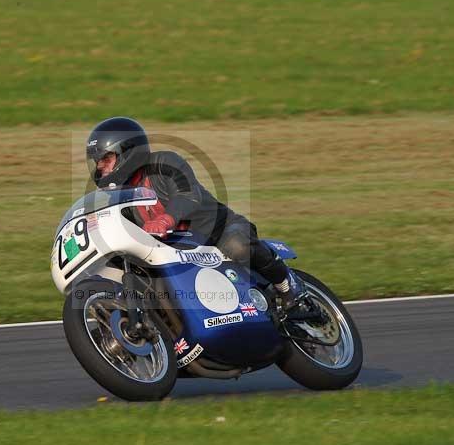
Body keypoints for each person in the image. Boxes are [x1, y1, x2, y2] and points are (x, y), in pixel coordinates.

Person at [85, 116, 307, 316]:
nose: (101, 168)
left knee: (238, 245)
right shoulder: (120, 197)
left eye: (106, 159)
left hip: (218, 232)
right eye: (98, 163)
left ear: (127, 150)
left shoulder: (164, 163)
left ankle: (287, 285)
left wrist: (166, 219)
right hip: (178, 254)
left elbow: (188, 195)